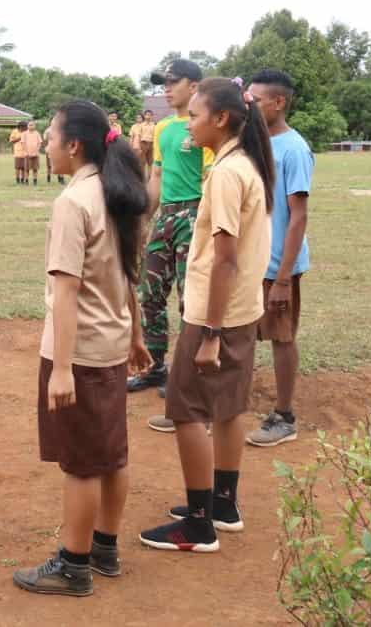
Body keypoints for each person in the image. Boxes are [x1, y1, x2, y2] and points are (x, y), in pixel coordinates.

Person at [13, 100, 152, 597]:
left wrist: (63, 369)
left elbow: (67, 292)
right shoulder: (114, 191)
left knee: (81, 464)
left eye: (50, 137)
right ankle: (104, 549)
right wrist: (134, 333)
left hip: (81, 351)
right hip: (111, 345)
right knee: (111, 454)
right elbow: (126, 274)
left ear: (73, 145)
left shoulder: (74, 202)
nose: (46, 144)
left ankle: (73, 565)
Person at [139, 77, 273, 553]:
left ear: (221, 118)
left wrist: (210, 332)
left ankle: (198, 525)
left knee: (186, 410)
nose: (188, 123)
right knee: (229, 406)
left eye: (195, 115)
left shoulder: (225, 173)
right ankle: (223, 504)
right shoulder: (246, 163)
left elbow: (225, 259)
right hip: (241, 310)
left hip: (216, 314)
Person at [132, 59, 213, 437]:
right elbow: (158, 175)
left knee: (188, 298)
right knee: (149, 294)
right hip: (166, 215)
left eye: (173, 82)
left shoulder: (205, 126)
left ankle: (188, 374)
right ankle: (155, 365)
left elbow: (210, 176)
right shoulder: (164, 127)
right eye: (163, 83)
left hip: (195, 213)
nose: (166, 89)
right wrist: (147, 216)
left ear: (193, 86)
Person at [244, 70, 312, 448]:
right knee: (240, 334)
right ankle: (227, 405)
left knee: (281, 337)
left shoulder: (294, 149)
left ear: (279, 102)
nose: (250, 105)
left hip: (277, 265)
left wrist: (284, 278)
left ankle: (284, 416)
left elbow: (297, 215)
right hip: (250, 262)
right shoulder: (255, 144)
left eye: (256, 100)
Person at [23, 121, 43, 186]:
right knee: (27, 169)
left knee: (35, 169)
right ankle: (26, 181)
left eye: (32, 125)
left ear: (34, 126)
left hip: (35, 154)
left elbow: (40, 143)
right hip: (27, 154)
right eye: (29, 125)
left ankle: (35, 181)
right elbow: (23, 143)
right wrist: (26, 152)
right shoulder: (24, 134)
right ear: (27, 126)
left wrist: (36, 151)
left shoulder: (37, 133)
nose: (31, 126)